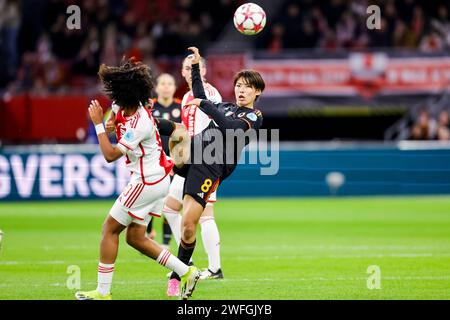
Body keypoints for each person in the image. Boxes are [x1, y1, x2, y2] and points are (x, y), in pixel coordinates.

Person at [75, 58, 199, 300]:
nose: (112, 95)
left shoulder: (140, 122)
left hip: (146, 181)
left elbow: (110, 155)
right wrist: (110, 124)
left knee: (109, 229)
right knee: (135, 237)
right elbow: (116, 124)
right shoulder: (123, 106)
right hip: (157, 179)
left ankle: (102, 292)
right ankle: (186, 271)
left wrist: (99, 126)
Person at [167, 46, 264, 292]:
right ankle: (178, 276)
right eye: (239, 85)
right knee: (175, 134)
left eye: (247, 87)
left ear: (257, 92)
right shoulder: (227, 106)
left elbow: (231, 128)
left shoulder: (253, 116)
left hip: (211, 167)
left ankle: (183, 271)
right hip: (194, 154)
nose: (241, 90)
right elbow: (199, 94)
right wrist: (197, 67)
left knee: (188, 226)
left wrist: (206, 106)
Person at [165, 53, 224, 297]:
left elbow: (209, 124)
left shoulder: (208, 93)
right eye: (187, 68)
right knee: (169, 208)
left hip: (206, 158)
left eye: (195, 68)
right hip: (190, 159)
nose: (190, 72)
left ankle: (214, 267)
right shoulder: (186, 97)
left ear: (203, 71)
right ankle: (185, 262)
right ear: (182, 72)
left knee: (205, 215)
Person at [145, 73, 182, 247]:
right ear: (157, 87)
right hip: (153, 162)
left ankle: (165, 244)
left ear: (174, 88)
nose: (166, 86)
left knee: (169, 202)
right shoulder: (149, 107)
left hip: (174, 163)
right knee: (151, 200)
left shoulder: (181, 107)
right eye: (163, 83)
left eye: (170, 83)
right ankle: (147, 232)